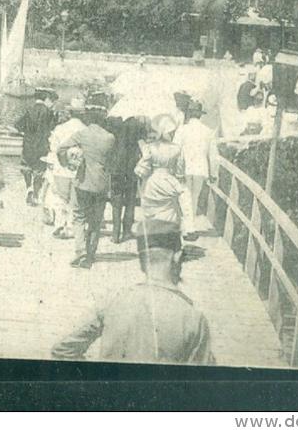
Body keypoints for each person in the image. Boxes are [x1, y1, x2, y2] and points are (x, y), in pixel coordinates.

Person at [51, 220, 214, 364]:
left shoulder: (113, 301)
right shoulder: (193, 319)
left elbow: (63, 350)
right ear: (177, 258)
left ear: (142, 262)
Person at [62, 97, 117, 269]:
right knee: (95, 220)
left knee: (78, 217)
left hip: (82, 182)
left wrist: (70, 161)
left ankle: (80, 251)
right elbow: (112, 163)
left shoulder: (81, 134)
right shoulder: (110, 138)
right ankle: (90, 254)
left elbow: (61, 149)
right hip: (100, 184)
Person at [135, 115, 195, 239]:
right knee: (184, 196)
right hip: (169, 180)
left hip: (152, 182)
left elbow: (141, 170)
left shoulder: (150, 147)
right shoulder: (177, 149)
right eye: (171, 132)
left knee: (151, 209)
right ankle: (189, 228)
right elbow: (180, 172)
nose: (173, 134)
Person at [172, 100, 217, 232]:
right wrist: (213, 173)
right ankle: (190, 227)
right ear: (200, 115)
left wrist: (173, 168)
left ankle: (188, 227)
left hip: (184, 167)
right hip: (200, 168)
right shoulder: (208, 131)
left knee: (184, 196)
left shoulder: (182, 130)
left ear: (189, 114)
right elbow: (213, 155)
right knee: (194, 197)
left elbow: (175, 150)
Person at [44, 97, 87, 237]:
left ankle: (59, 224)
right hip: (77, 170)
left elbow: (53, 148)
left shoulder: (60, 128)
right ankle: (70, 226)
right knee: (75, 200)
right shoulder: (85, 130)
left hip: (61, 168)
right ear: (82, 113)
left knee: (60, 197)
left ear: (70, 113)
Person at [105, 115, 146, 243]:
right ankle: (127, 231)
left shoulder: (112, 122)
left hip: (116, 165)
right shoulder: (137, 124)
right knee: (130, 200)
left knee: (116, 200)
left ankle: (115, 234)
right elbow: (143, 145)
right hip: (131, 166)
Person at [15, 87, 58, 206]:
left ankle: (29, 188)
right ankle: (35, 194)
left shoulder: (29, 110)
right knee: (39, 170)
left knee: (27, 168)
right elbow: (53, 128)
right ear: (46, 98)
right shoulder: (48, 112)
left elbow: (18, 126)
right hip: (41, 146)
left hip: (28, 145)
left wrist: (27, 133)